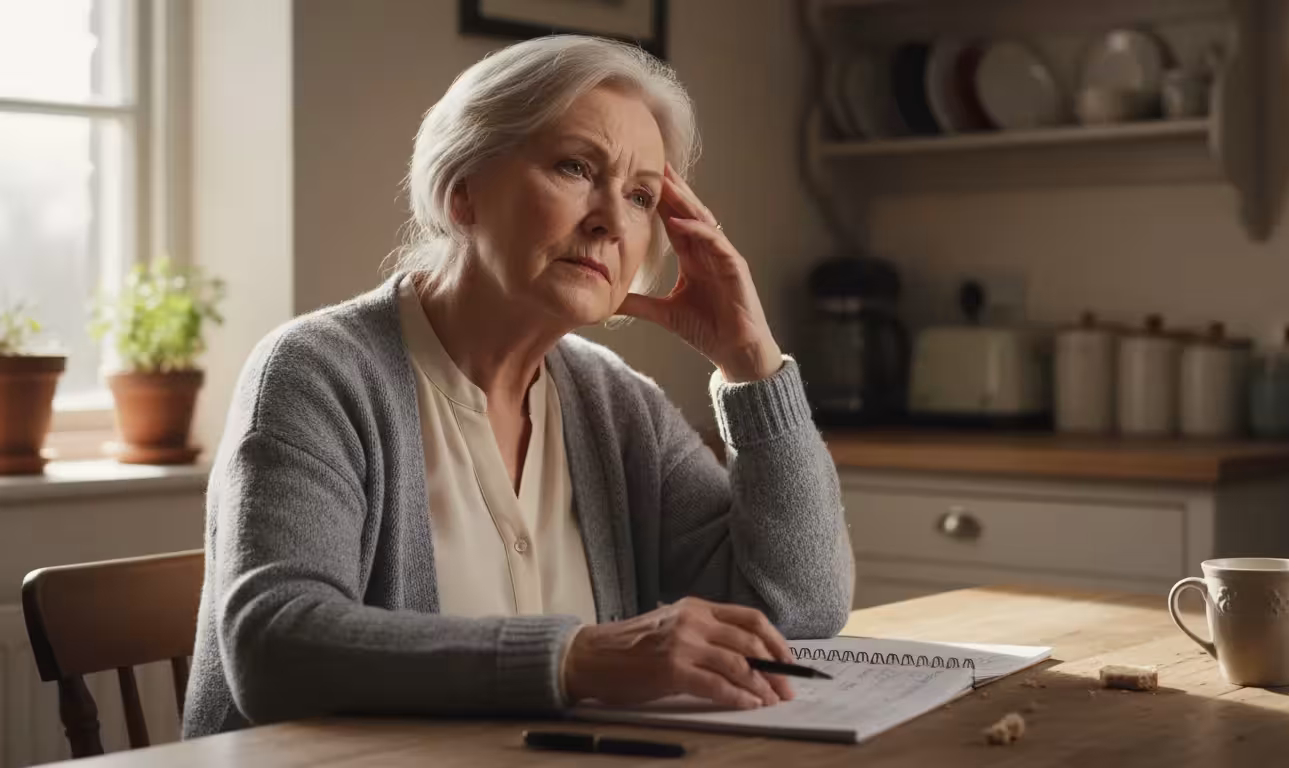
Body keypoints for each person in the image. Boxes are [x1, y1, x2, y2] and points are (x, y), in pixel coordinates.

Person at [183, 34, 852, 738]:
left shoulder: (616, 405)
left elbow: (797, 609)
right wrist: (579, 658)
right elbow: (275, 650)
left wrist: (751, 361)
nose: (611, 221)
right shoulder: (315, 373)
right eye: (574, 167)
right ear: (462, 190)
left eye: (640, 196)